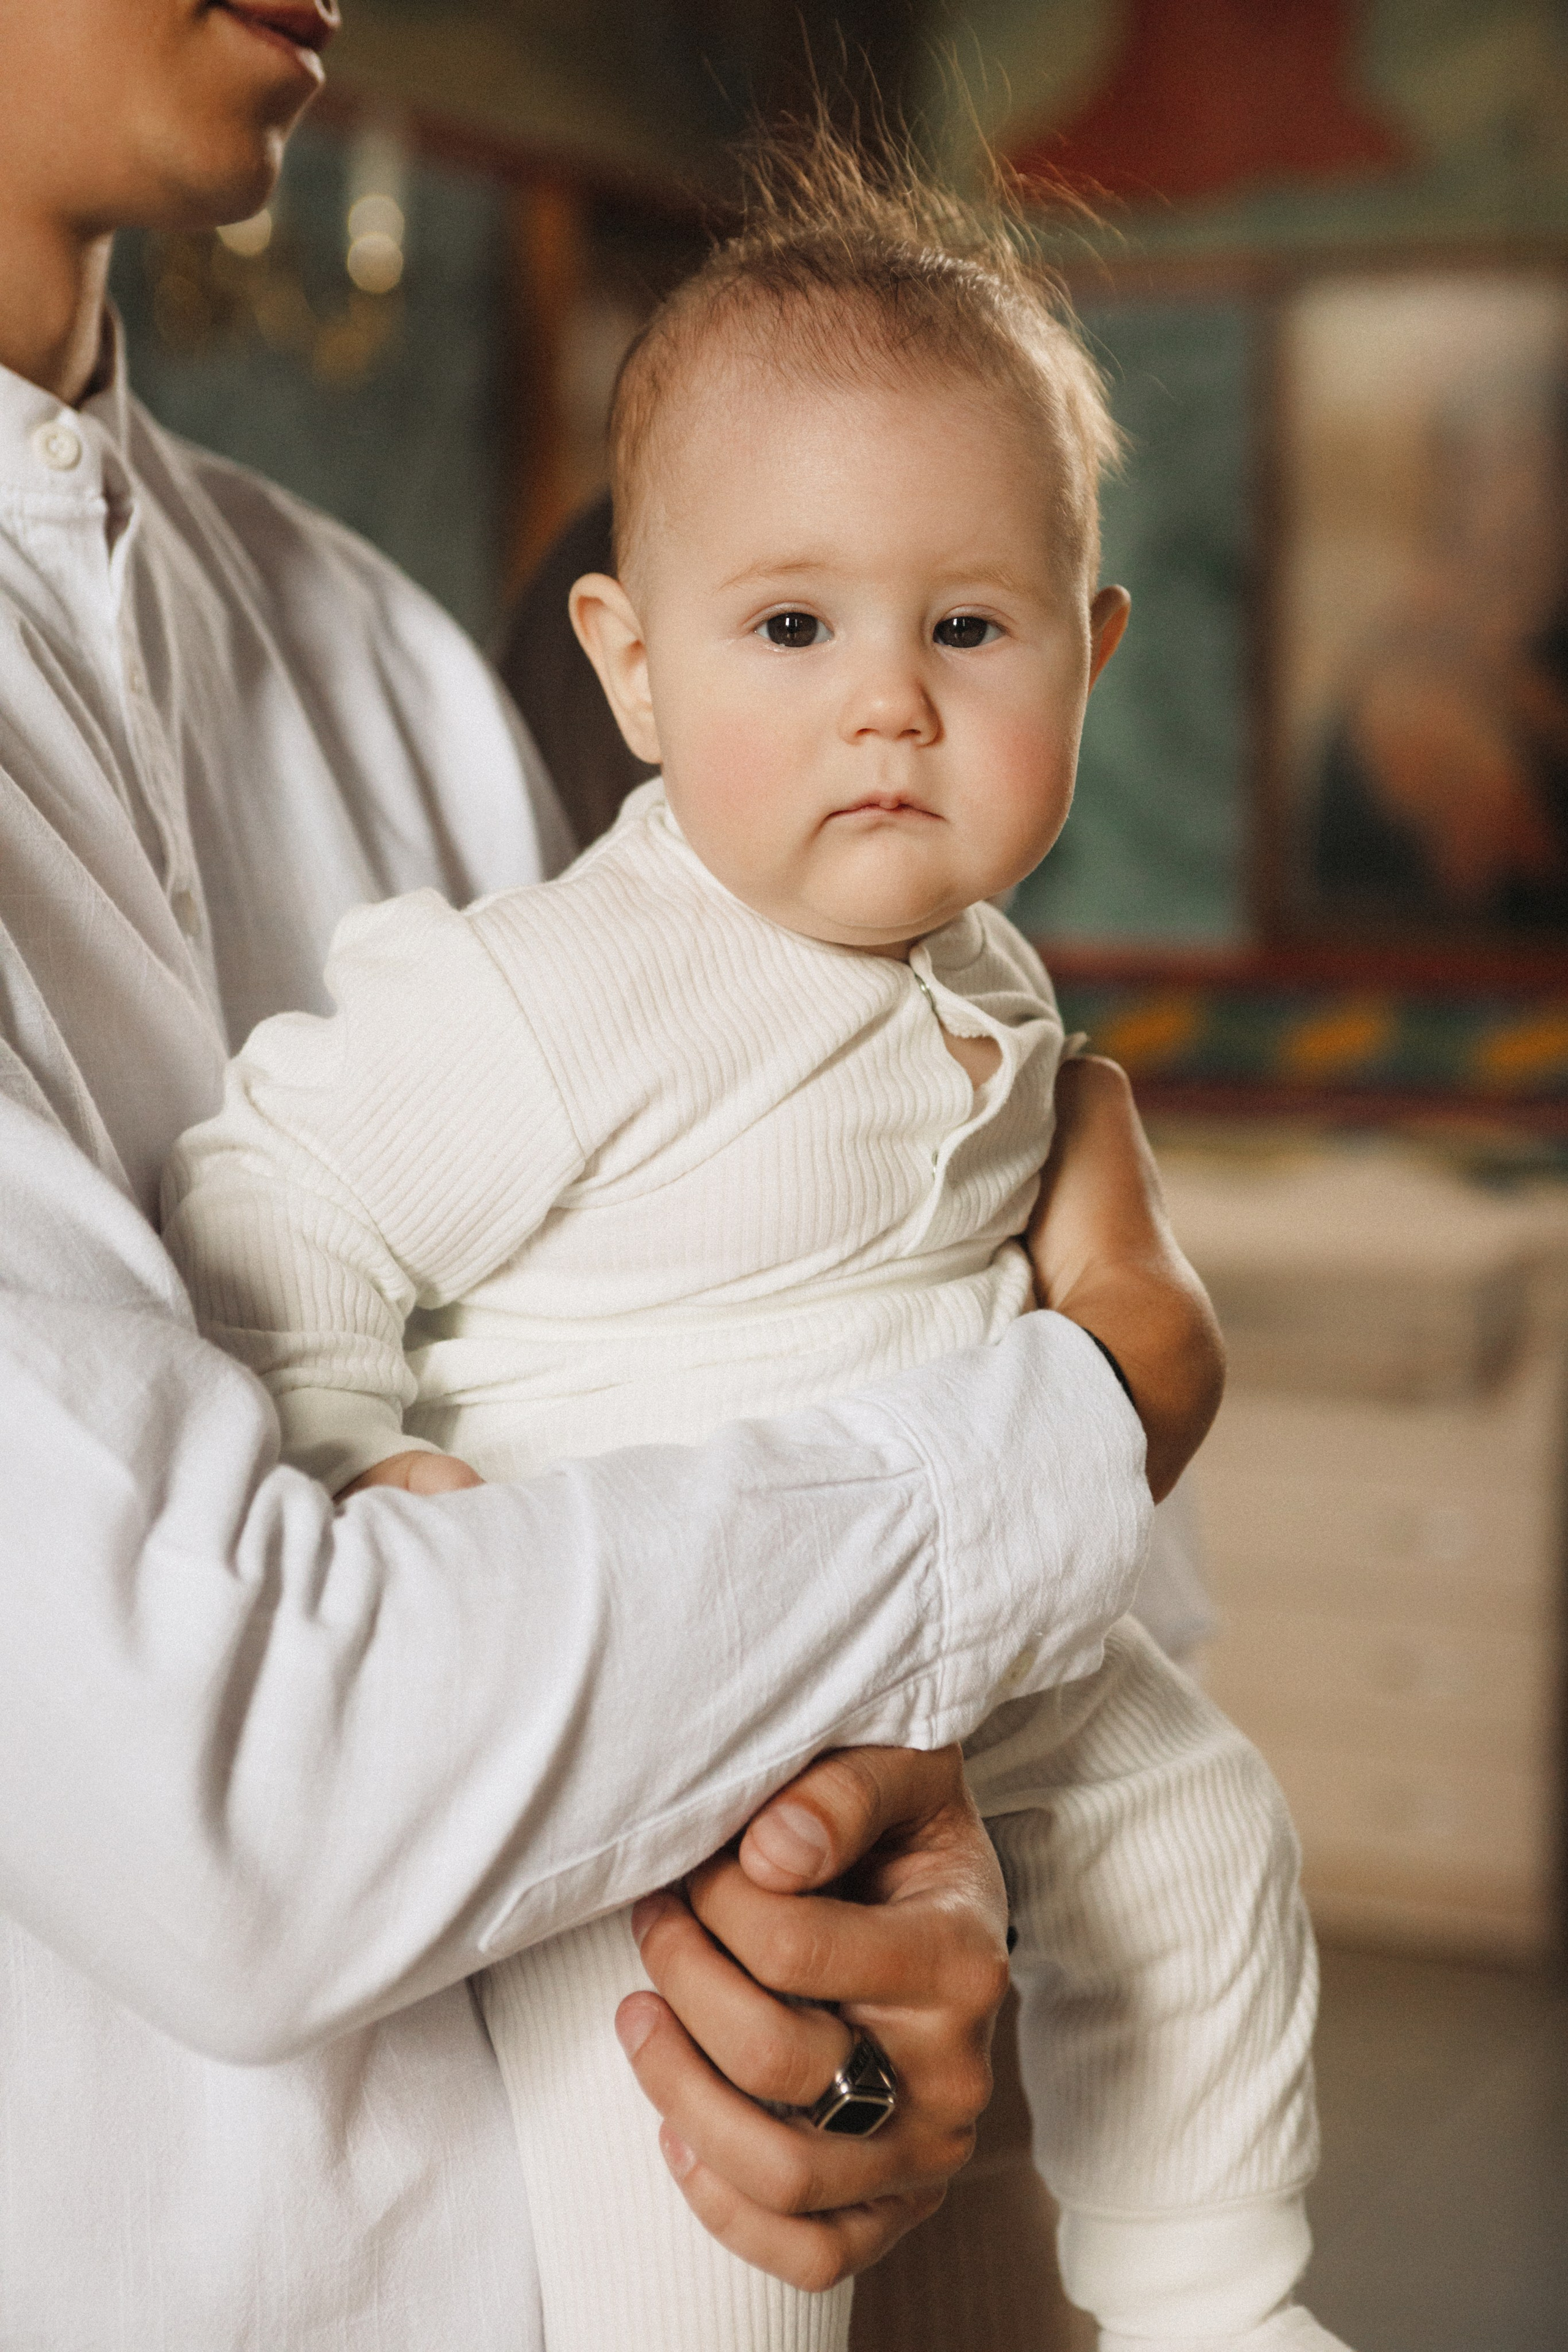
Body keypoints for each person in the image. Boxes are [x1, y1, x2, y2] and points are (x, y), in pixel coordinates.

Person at [0, 4, 1191, 2342]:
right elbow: (253, 1797)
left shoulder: (379, 657)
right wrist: (1084, 1420)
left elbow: (681, 1486)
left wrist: (890, 1962)